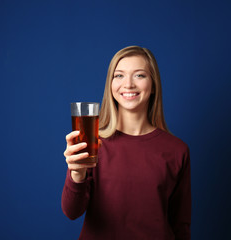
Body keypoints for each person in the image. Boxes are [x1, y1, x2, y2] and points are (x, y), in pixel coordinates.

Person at [62, 46, 191, 240]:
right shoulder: (93, 144)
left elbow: (180, 226)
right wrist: (77, 174)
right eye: (119, 75)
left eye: (139, 75)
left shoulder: (177, 150)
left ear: (153, 84)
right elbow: (72, 212)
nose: (128, 84)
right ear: (110, 85)